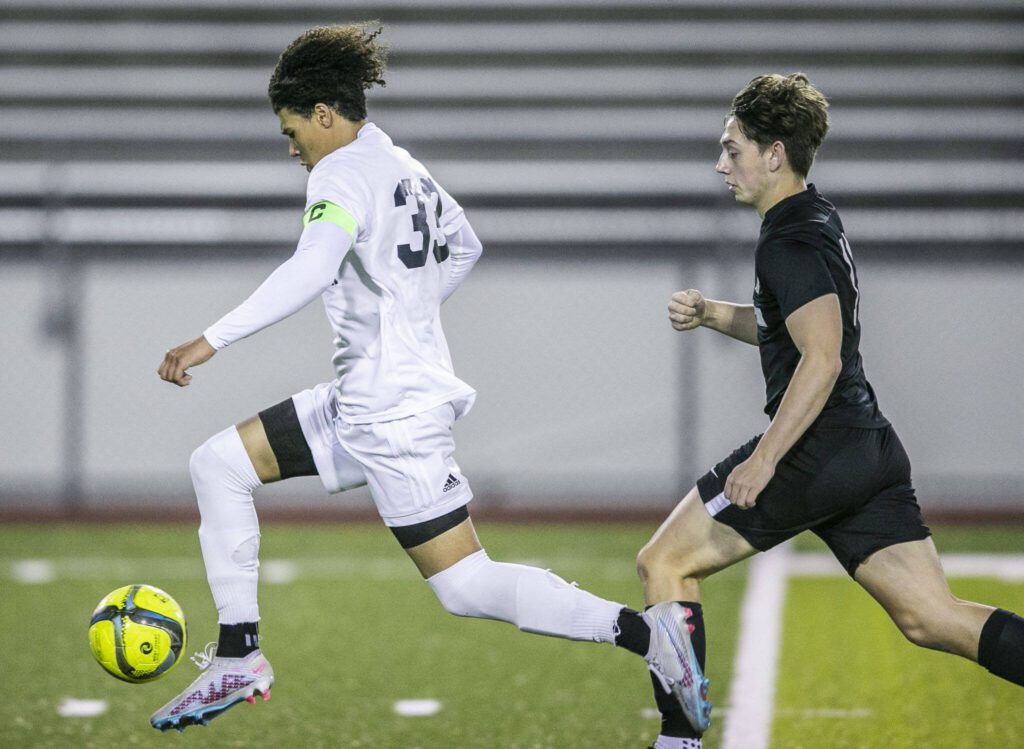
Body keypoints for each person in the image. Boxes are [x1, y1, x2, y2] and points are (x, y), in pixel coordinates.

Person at [149, 23, 702, 733]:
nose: (291, 147)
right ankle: (238, 654)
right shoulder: (398, 162)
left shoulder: (340, 171)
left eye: (293, 130)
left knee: (466, 584)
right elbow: (465, 242)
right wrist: (406, 316)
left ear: (324, 115)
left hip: (389, 413)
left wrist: (210, 339)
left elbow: (314, 268)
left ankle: (653, 637)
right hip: (369, 399)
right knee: (218, 463)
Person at [636, 72, 1024, 749]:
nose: (720, 164)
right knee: (933, 617)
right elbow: (792, 327)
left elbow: (821, 358)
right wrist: (711, 314)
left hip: (818, 449)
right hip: (864, 447)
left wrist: (764, 458)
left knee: (664, 562)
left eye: (732, 149)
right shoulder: (812, 216)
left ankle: (677, 742)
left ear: (774, 153)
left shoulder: (789, 240)